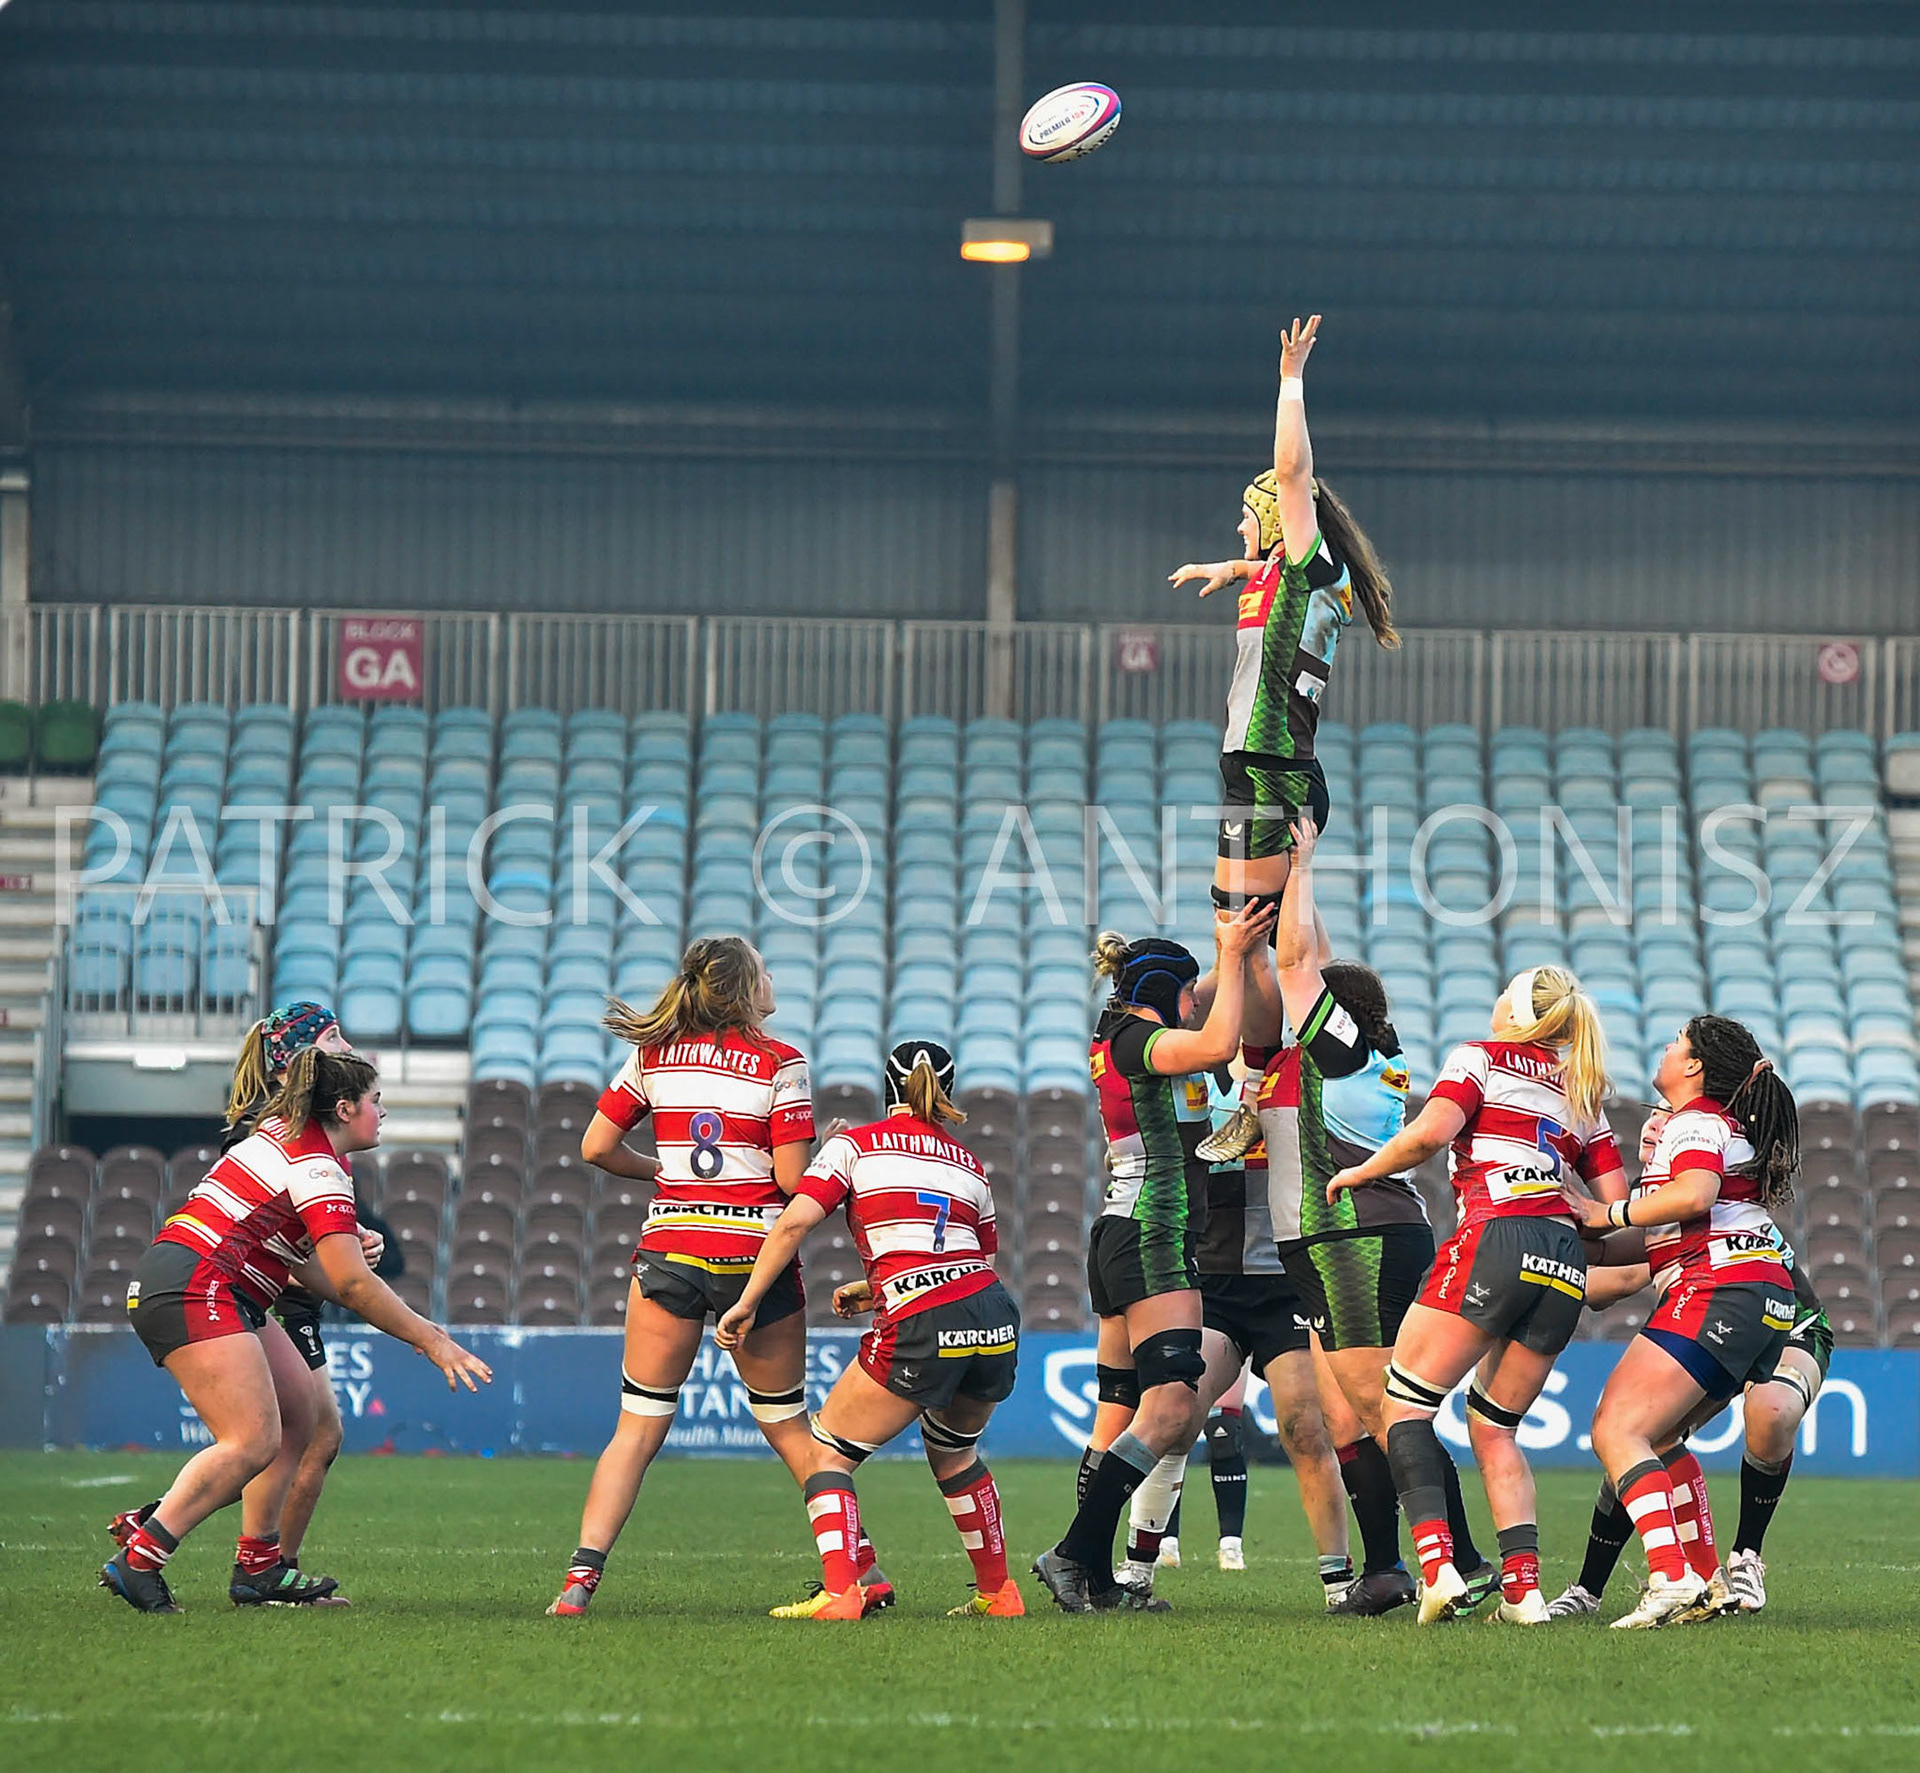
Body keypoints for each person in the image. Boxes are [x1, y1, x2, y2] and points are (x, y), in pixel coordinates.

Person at [548, 937, 876, 1617]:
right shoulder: (782, 1062)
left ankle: (579, 1584)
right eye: (765, 966)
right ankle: (855, 1574)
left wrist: (661, 1171)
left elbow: (595, 1147)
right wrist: (830, 1154)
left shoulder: (651, 1055)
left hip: (668, 1251)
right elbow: (790, 1181)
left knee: (637, 1426)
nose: (774, 974)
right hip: (753, 1257)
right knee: (789, 1425)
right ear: (744, 986)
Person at [100, 1050, 492, 1613]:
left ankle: (259, 1568)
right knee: (253, 1440)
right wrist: (431, 1338)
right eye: (375, 1102)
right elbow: (353, 1286)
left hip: (211, 1282)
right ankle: (140, 1558)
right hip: (199, 1284)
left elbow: (315, 1270)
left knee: (300, 1425)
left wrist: (346, 1256)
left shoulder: (290, 1135)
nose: (382, 1113)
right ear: (343, 1106)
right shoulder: (318, 1165)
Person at [1325, 966, 1626, 1626]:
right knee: (1495, 1426)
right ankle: (1524, 1593)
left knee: (1402, 1403)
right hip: (1563, 1256)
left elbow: (1432, 1134)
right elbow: (1620, 1208)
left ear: (1515, 1009)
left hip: (1495, 1235)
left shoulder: (1480, 1057)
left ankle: (1438, 1569)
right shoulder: (1583, 1090)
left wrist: (1363, 1169)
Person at [1167, 313, 1400, 1165]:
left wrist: (1289, 379)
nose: (1238, 531)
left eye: (1244, 516)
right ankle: (1259, 1085)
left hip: (1274, 773)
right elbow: (1260, 565)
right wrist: (1225, 568)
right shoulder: (1278, 572)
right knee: (1240, 934)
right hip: (1257, 769)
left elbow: (1294, 473)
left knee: (1248, 936)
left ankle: (1262, 1090)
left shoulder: (1304, 565)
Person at [1259, 814, 1496, 1617]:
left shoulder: (1343, 1048)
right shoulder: (1356, 1052)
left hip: (1350, 1237)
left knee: (1385, 1403)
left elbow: (1296, 959)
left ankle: (1455, 1558)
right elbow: (1311, 958)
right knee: (1344, 1410)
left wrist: (1302, 865)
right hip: (1340, 1238)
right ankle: (1389, 1567)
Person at [716, 1041, 1024, 1621]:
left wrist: (747, 1301)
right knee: (956, 1455)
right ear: (947, 1093)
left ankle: (844, 1591)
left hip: (922, 1318)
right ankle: (998, 1593)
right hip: (992, 1313)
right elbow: (969, 1257)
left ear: (886, 1088)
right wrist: (870, 1289)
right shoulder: (970, 1164)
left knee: (825, 1452)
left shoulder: (853, 1145)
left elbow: (792, 1226)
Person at [1030, 902, 1275, 1614]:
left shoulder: (1136, 1039)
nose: (1196, 1005)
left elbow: (1207, 1087)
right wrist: (1230, 955)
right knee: (1171, 1411)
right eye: (1190, 992)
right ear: (1167, 989)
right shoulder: (1138, 1037)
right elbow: (1218, 1042)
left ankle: (1096, 1576)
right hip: (1153, 1235)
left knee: (1117, 1414)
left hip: (1122, 1232)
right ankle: (1075, 1553)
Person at [1560, 1015, 1801, 1629]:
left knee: (1616, 1429)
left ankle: (1669, 1578)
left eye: (1676, 1044)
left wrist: (1606, 1209)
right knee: (1659, 1437)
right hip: (1757, 1294)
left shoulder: (1693, 1123)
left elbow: (1694, 1195)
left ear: (1694, 1067)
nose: (1666, 1050)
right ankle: (1705, 1582)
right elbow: (1650, 1238)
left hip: (1719, 1287)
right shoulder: (1711, 1126)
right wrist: (1573, 1227)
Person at [1117, 1062, 1357, 1605]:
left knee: (1305, 1429)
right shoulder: (1193, 1078)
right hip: (1213, 1285)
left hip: (1286, 1285)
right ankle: (1137, 1568)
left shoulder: (1298, 1078)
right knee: (1173, 1417)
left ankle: (1338, 1583)